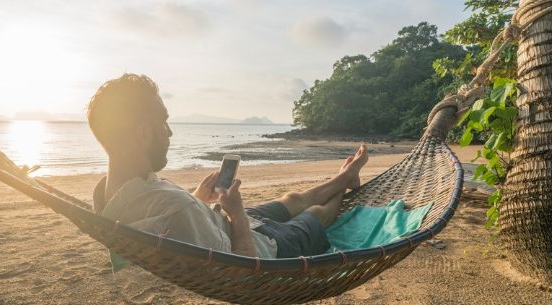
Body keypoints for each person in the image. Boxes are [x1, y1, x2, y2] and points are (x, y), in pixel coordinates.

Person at [88, 73, 368, 258]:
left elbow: (172, 217)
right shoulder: (176, 208)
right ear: (144, 133)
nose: (170, 132)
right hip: (263, 244)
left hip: (216, 221)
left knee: (292, 198)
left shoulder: (105, 200)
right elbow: (243, 266)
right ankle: (345, 183)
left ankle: (344, 176)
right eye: (164, 122)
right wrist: (237, 214)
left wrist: (197, 198)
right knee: (316, 213)